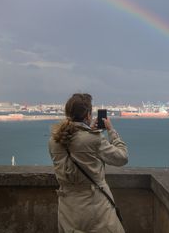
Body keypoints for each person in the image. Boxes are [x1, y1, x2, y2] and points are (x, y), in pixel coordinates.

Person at [49, 93, 128, 233]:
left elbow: (76, 145)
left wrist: (88, 130)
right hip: (95, 207)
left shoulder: (53, 141)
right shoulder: (94, 139)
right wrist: (111, 131)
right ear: (88, 115)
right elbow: (122, 158)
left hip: (68, 208)